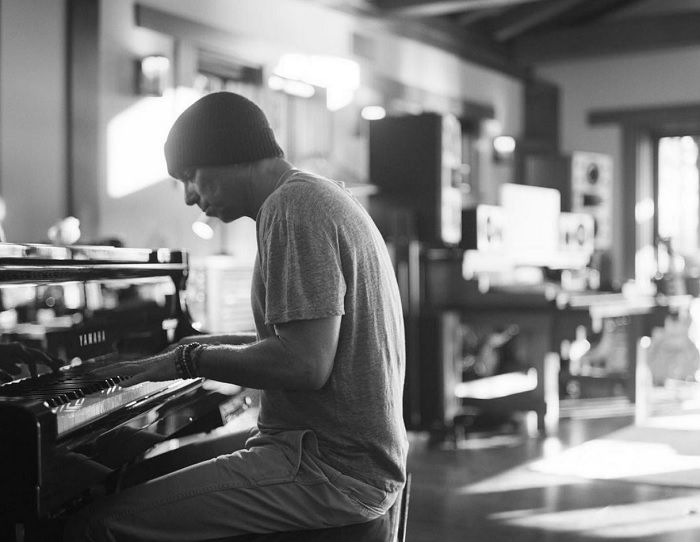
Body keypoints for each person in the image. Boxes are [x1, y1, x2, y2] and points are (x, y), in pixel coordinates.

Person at [64, 91, 408, 541]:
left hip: (330, 470)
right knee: (130, 480)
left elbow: (306, 365)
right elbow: (297, 344)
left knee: (97, 526)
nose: (190, 197)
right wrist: (195, 346)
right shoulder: (311, 197)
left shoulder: (293, 209)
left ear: (228, 156)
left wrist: (189, 363)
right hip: (330, 453)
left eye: (190, 176)